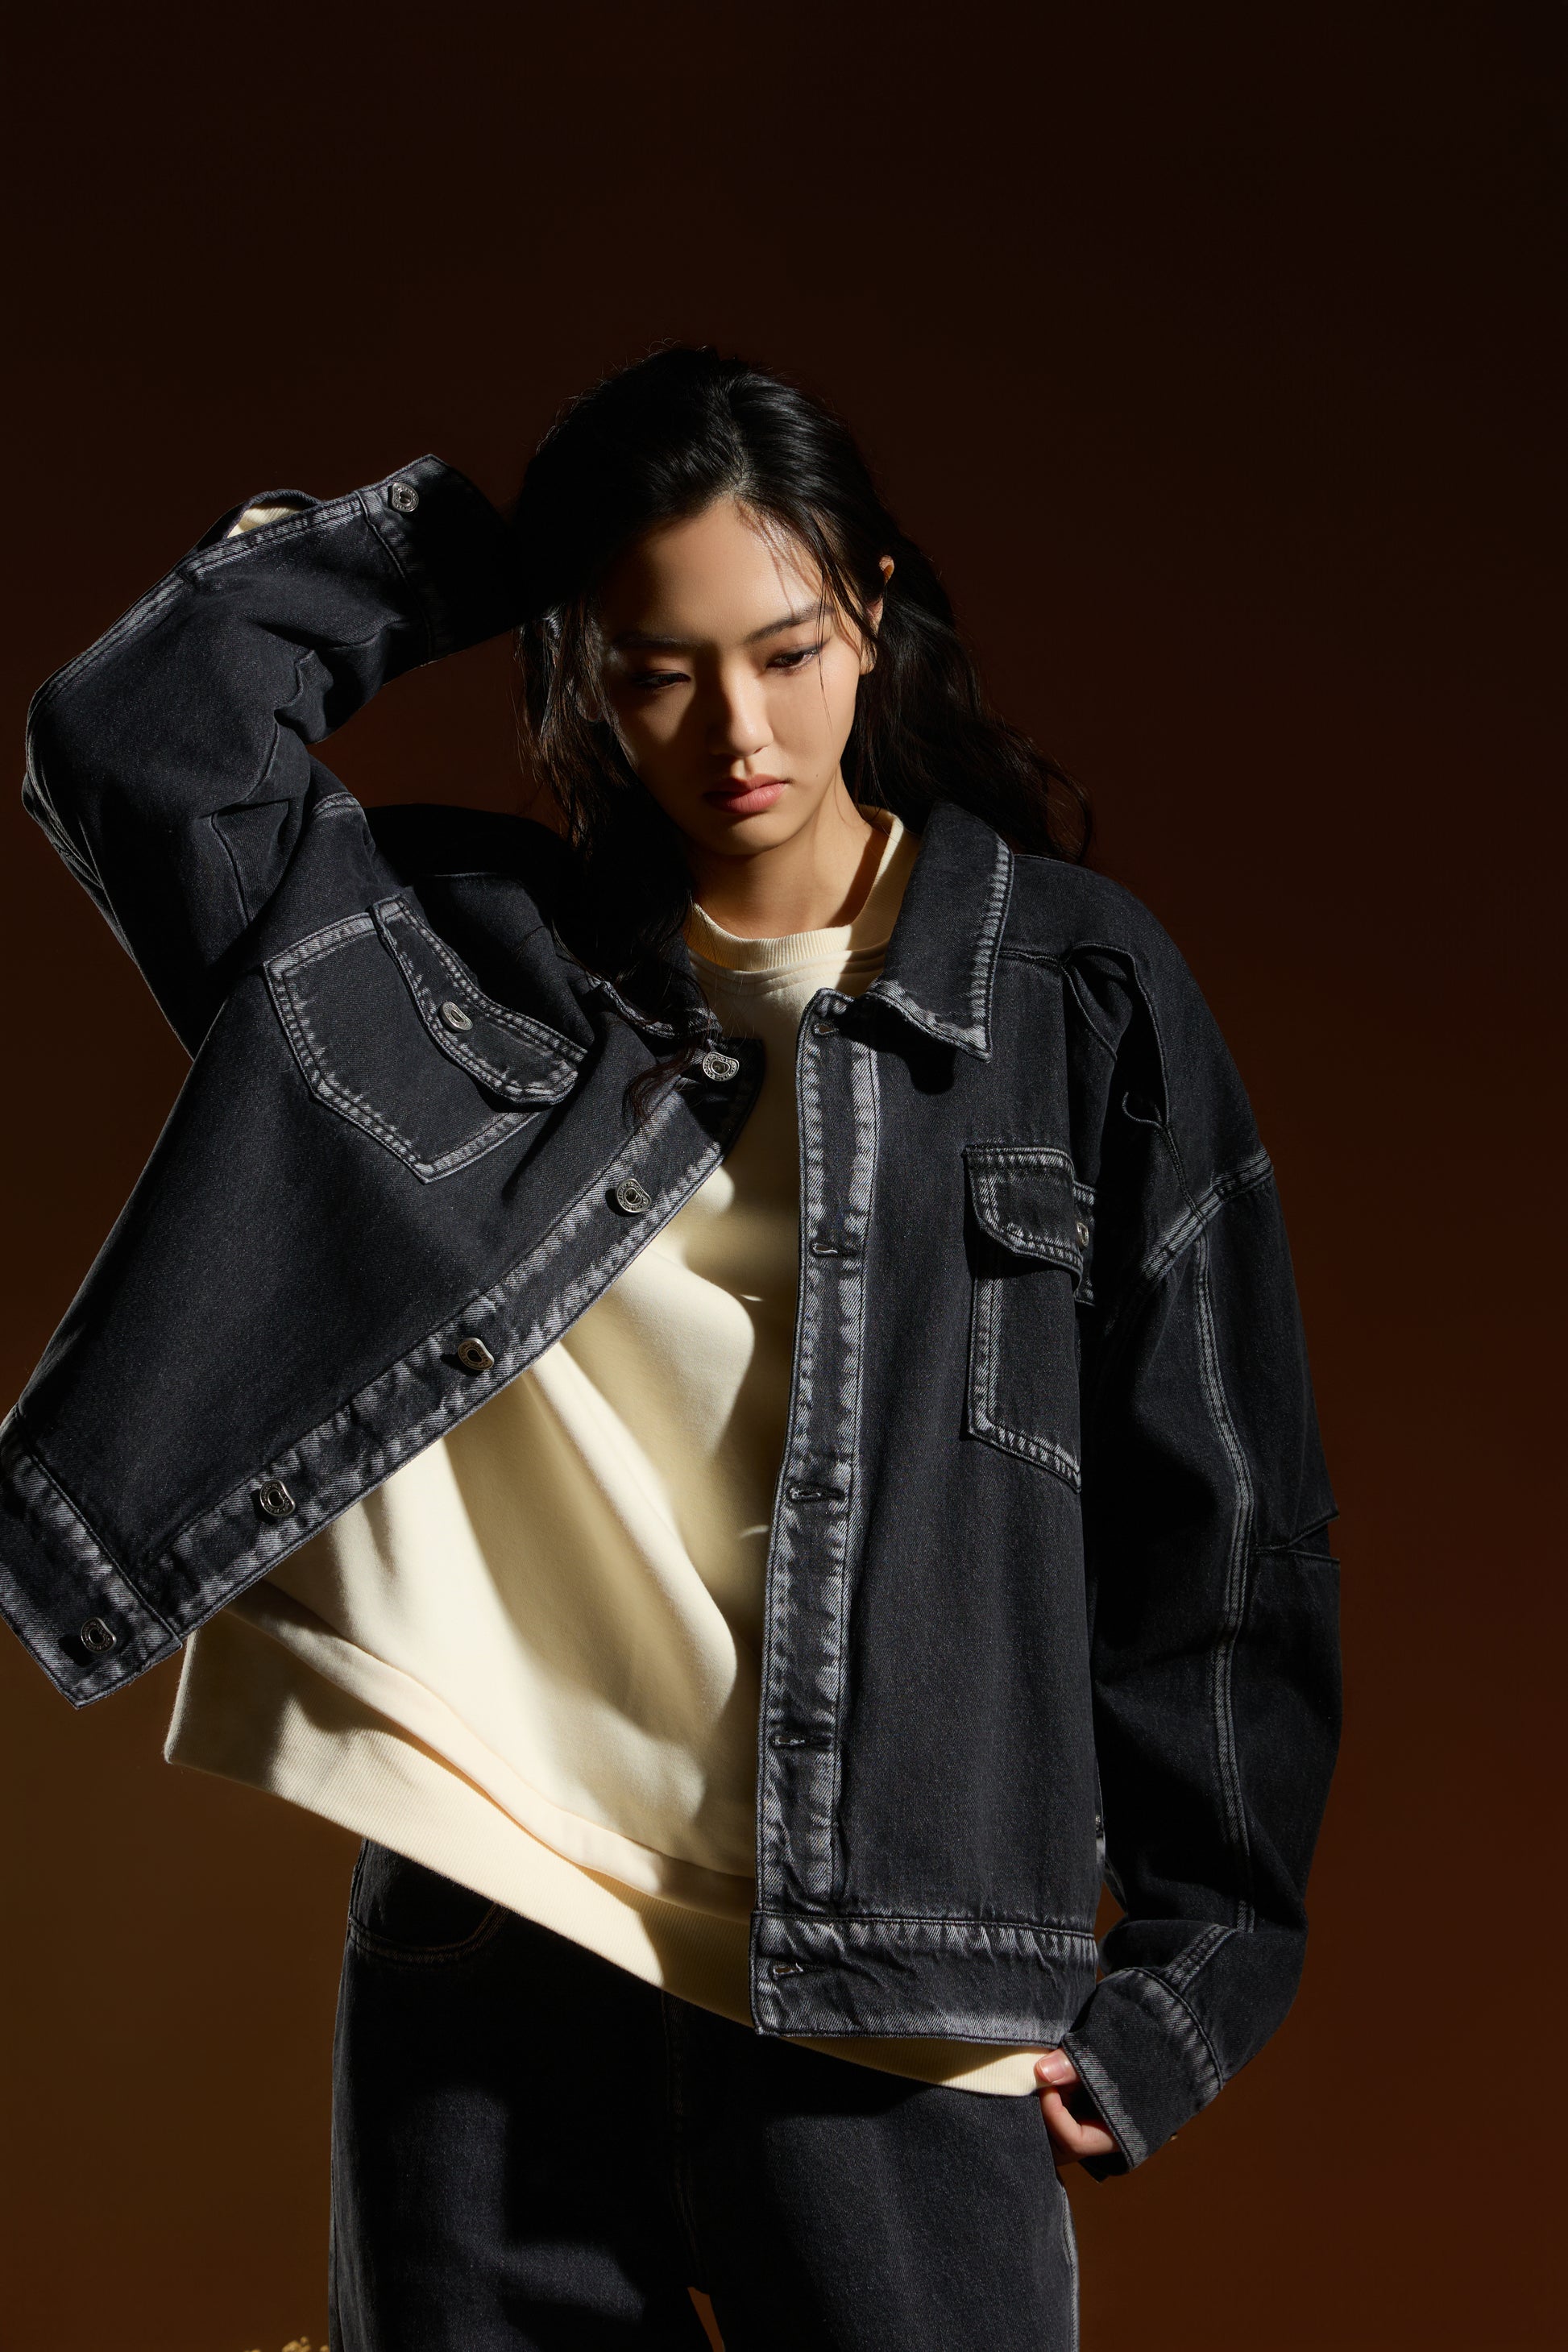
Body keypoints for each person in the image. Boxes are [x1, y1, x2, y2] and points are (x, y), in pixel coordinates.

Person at [3, 347, 1341, 2350]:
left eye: (787, 650)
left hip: (890, 1959)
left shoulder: (1073, 988)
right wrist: (473, 548)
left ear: (871, 610)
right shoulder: (450, 959)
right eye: (655, 667)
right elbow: (132, 738)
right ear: (580, 663)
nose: (737, 730)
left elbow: (1222, 1515)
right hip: (485, 1908)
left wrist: (1198, 1971)